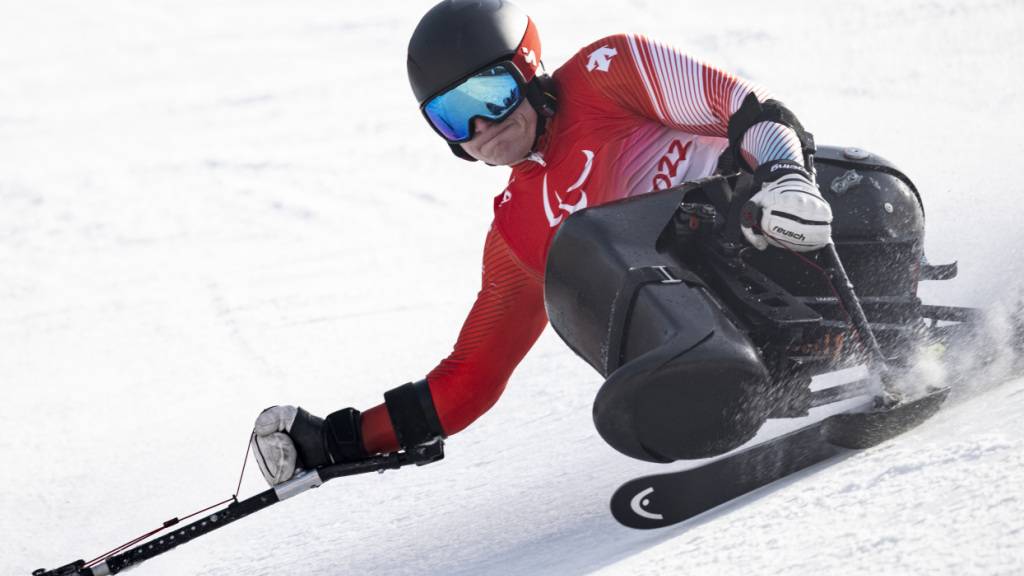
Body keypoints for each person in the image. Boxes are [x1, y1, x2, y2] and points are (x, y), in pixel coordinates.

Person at [250, 0, 833, 485]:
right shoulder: (515, 228)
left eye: (489, 95)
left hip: (806, 231)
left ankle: (741, 358)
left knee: (598, 233)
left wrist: (786, 178)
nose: (480, 128)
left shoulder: (610, 72)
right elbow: (468, 379)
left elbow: (748, 108)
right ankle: (707, 378)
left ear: (527, 68)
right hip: (742, 336)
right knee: (582, 250)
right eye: (453, 117)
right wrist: (334, 441)